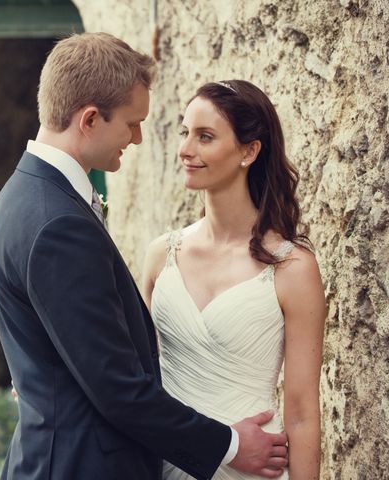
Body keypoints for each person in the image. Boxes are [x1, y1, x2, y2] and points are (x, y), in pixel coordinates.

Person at [0, 33, 288, 480]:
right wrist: (231, 445)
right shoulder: (57, 224)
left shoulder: (24, 197)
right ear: (89, 119)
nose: (139, 137)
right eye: (131, 123)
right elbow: (117, 388)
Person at [141, 80, 325, 479]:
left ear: (249, 151)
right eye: (185, 132)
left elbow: (301, 415)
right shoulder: (161, 256)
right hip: (163, 465)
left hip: (253, 470)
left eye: (205, 137)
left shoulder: (292, 269)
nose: (186, 149)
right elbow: (135, 380)